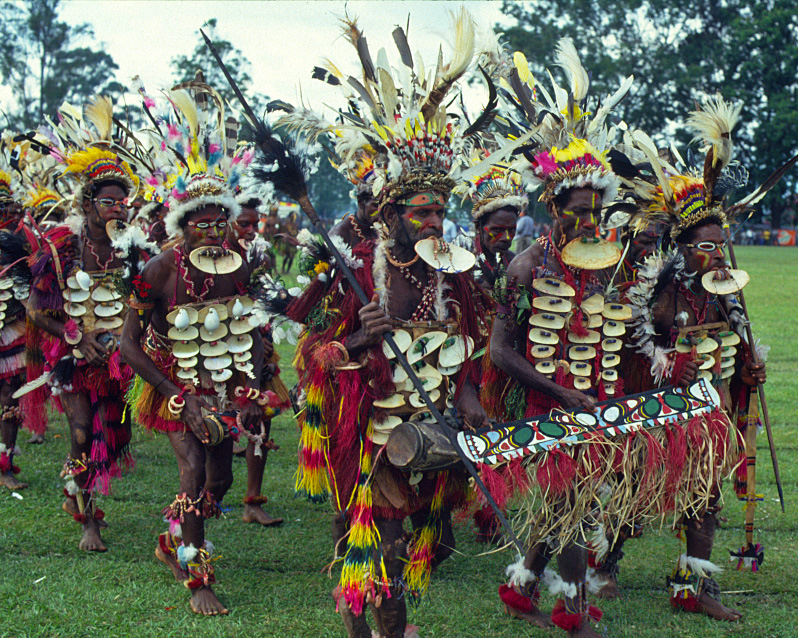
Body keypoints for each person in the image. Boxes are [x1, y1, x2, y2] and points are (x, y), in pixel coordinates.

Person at [280, 10, 493, 637]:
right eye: (423, 212)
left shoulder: (453, 273)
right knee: (384, 550)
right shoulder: (353, 272)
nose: (435, 222)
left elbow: (474, 347)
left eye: (441, 210)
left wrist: (474, 395)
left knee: (388, 551)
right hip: (363, 429)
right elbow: (309, 354)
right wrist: (356, 338)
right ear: (392, 212)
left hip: (430, 429)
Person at [623, 96, 792, 622]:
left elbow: (738, 346)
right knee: (632, 492)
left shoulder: (725, 290)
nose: (716, 254)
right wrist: (669, 367)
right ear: (682, 249)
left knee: (706, 497)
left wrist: (748, 370)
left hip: (709, 411)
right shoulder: (659, 292)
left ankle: (692, 585)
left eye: (721, 245)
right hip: (657, 413)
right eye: (705, 248)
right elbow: (631, 354)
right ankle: (602, 564)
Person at [121, 88, 269, 616]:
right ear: (181, 226)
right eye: (199, 223)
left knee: (218, 479)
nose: (212, 232)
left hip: (225, 379)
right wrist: (172, 393)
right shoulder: (158, 270)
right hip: (172, 379)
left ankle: (172, 539)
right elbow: (127, 342)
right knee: (191, 473)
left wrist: (255, 386)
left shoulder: (240, 263)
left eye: (218, 222)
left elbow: (251, 327)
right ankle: (198, 574)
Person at [26, 97, 154, 551]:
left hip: (121, 358)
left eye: (124, 202)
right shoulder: (63, 246)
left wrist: (125, 341)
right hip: (75, 355)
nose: (119, 208)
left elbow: (146, 302)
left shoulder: (133, 249)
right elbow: (37, 310)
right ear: (88, 203)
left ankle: (76, 492)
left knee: (111, 432)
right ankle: (89, 521)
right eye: (109, 201)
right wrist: (74, 336)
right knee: (83, 432)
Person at [225, 193, 287, 527]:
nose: (251, 230)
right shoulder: (212, 257)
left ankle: (253, 501)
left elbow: (264, 301)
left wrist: (263, 342)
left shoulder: (259, 255)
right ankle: (209, 494)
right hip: (218, 355)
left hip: (256, 350)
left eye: (255, 223)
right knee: (218, 427)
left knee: (262, 421)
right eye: (244, 223)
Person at [329, 152, 380, 249]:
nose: (380, 210)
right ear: (361, 202)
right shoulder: (340, 233)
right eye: (376, 205)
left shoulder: (384, 231)